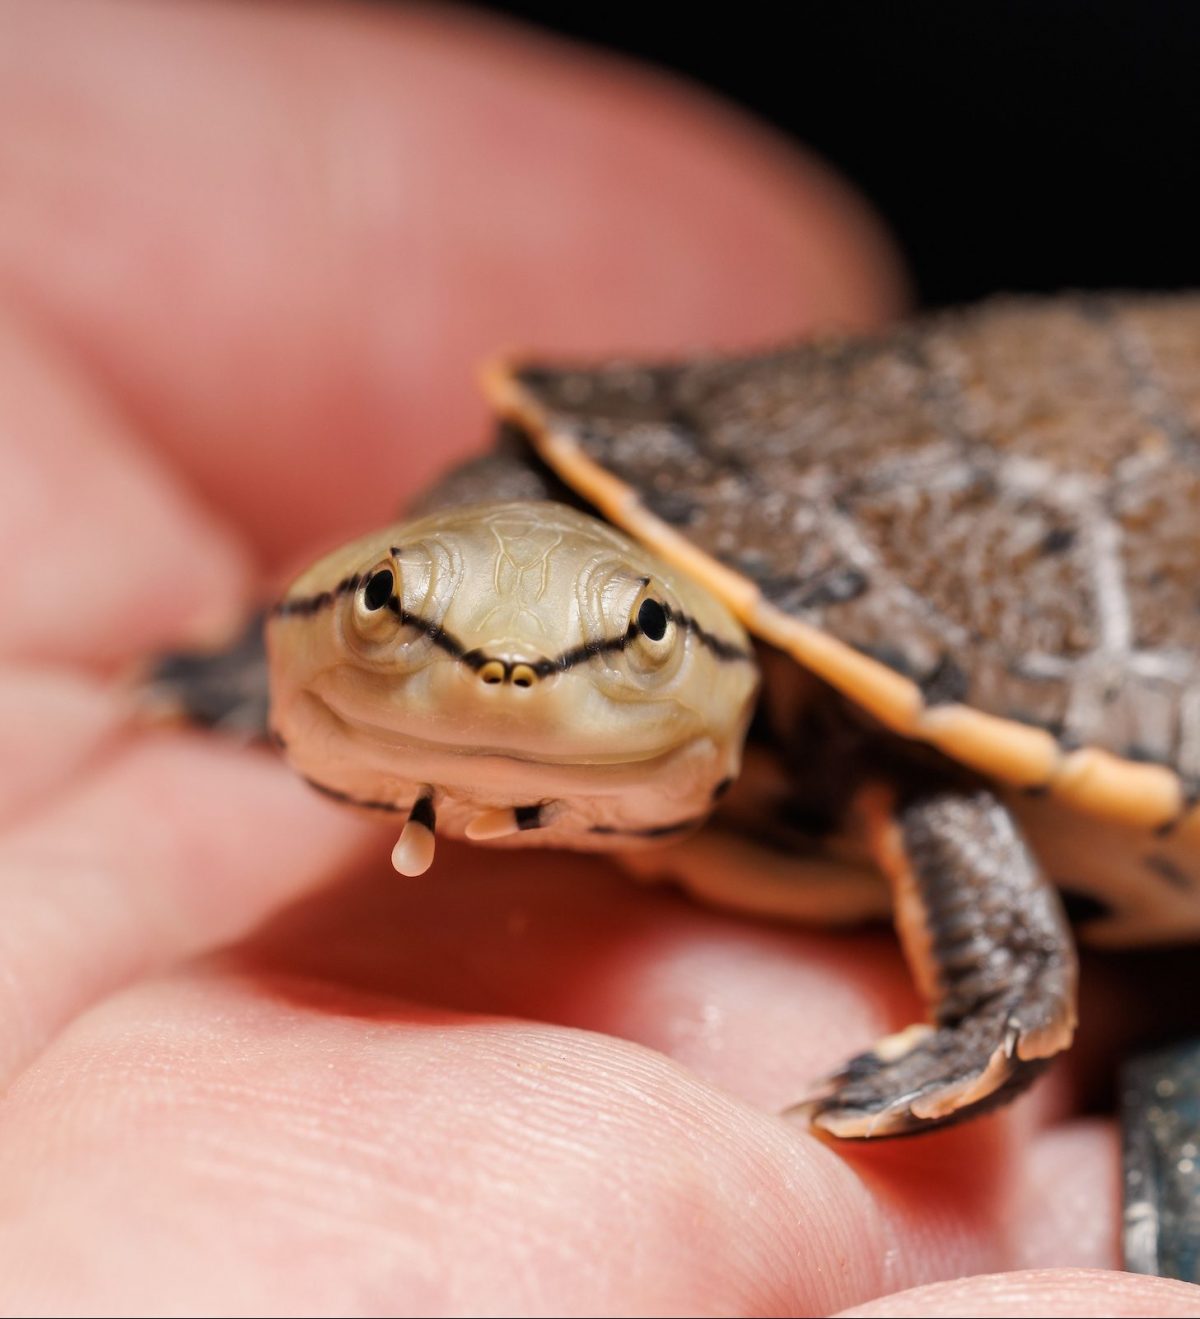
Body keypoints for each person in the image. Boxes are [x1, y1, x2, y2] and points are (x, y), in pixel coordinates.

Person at [0, 1, 1196, 1313]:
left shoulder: (834, 714)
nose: (500, 680)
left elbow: (933, 768)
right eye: (391, 613)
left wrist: (998, 1006)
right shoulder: (445, 541)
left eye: (630, 644)